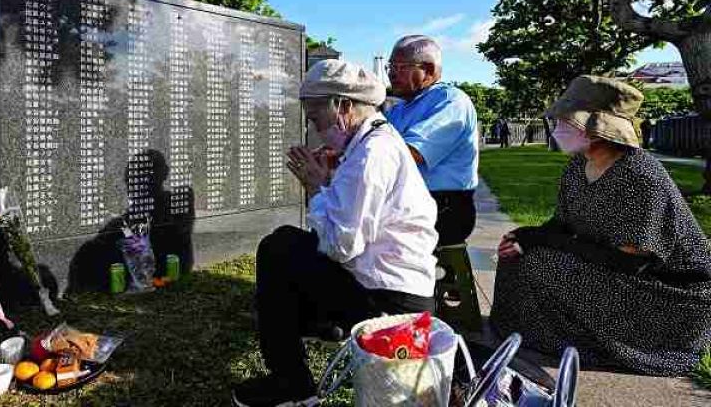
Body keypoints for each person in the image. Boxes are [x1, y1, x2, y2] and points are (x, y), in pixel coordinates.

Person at [232, 60, 438, 407]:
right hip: (386, 288)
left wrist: (315, 187)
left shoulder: (371, 155)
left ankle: (292, 384)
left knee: (279, 248)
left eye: (316, 119)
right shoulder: (370, 144)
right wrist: (328, 182)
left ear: (343, 107)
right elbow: (354, 222)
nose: (315, 130)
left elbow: (342, 244)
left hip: (391, 305)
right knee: (289, 245)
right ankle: (319, 328)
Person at [491, 75, 711, 376]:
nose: (558, 129)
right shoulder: (577, 167)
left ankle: (601, 341)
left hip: (672, 293)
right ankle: (547, 333)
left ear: (596, 130)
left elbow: (628, 260)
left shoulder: (641, 177)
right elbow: (562, 224)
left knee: (546, 263)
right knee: (517, 259)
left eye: (566, 122)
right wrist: (522, 236)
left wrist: (541, 240)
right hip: (618, 271)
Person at [384, 35, 479, 246]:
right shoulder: (399, 109)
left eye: (399, 67)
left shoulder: (450, 101)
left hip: (443, 208)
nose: (391, 74)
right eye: (390, 67)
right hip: (408, 202)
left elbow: (412, 153)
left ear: (428, 70)